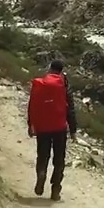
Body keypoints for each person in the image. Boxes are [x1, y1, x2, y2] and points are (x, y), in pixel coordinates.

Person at [26, 59, 77, 200]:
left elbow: (32, 106)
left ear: (49, 69)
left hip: (42, 127)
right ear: (61, 71)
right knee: (59, 159)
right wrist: (73, 130)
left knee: (43, 155)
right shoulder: (64, 85)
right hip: (59, 127)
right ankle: (55, 190)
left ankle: (41, 173)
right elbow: (70, 109)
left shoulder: (41, 84)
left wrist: (31, 125)